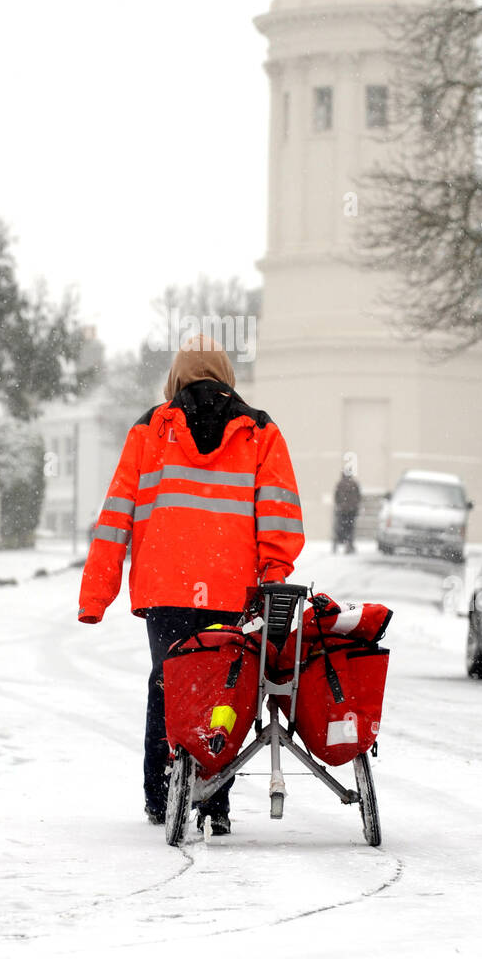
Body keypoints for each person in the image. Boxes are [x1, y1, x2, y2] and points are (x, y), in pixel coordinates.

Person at [77, 333, 304, 836]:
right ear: (227, 377)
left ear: (175, 379)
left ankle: (161, 795)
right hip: (234, 590)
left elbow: (116, 517)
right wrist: (273, 576)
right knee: (227, 689)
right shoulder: (260, 431)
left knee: (170, 681)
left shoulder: (150, 430)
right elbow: (280, 516)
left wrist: (96, 594)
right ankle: (215, 801)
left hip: (167, 590)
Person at [333, 470, 361, 553]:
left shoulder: (340, 484)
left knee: (340, 528)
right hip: (352, 511)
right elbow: (359, 497)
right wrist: (354, 506)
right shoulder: (354, 484)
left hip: (342, 511)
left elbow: (336, 497)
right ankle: (349, 545)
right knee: (350, 528)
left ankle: (337, 544)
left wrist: (340, 505)